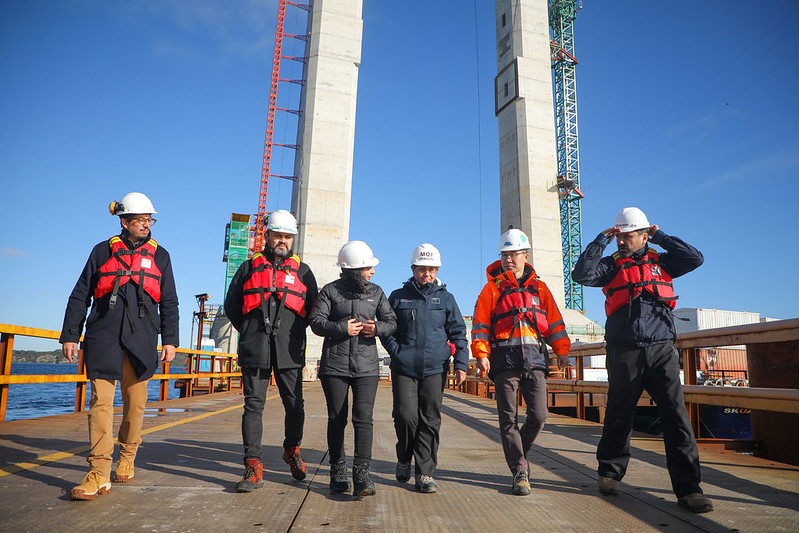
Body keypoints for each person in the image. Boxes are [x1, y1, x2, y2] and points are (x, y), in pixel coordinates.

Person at [571, 207, 712, 513]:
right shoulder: (610, 266)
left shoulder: (664, 261)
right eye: (619, 236)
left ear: (644, 236)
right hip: (625, 350)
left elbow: (695, 258)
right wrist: (600, 241)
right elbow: (581, 274)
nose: (622, 241)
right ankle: (609, 473)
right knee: (619, 415)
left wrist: (662, 236)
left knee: (677, 418)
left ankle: (689, 489)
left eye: (629, 236)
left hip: (661, 349)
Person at [60, 192, 179, 501]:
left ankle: (127, 455)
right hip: (103, 335)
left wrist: (170, 340)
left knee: (135, 403)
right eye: (140, 219)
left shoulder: (161, 256)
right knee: (100, 402)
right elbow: (80, 294)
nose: (146, 224)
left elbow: (169, 302)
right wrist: (71, 334)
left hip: (141, 339)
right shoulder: (101, 252)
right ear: (124, 221)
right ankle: (98, 472)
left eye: (149, 219)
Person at [471, 228, 570, 496]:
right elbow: (480, 325)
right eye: (504, 255)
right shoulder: (492, 289)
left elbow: (555, 323)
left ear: (525, 255)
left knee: (539, 416)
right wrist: (481, 354)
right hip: (504, 362)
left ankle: (519, 455)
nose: (508, 260)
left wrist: (562, 349)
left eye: (513, 254)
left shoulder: (540, 288)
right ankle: (520, 471)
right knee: (508, 419)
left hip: (535, 361)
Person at [224, 210, 318, 492]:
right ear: (267, 235)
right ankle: (253, 465)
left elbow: (313, 309)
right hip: (255, 347)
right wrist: (251, 331)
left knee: (294, 405)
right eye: (278, 235)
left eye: (288, 237)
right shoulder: (248, 268)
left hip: (289, 349)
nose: (283, 241)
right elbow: (232, 306)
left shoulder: (303, 271)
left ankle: (292, 449)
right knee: (253, 406)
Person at [309, 241, 397, 497]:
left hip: (367, 367)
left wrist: (376, 329)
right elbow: (316, 321)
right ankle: (337, 472)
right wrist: (341, 329)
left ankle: (362, 475)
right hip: (334, 367)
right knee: (337, 419)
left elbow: (391, 321)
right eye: (370, 267)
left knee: (363, 419)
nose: (374, 271)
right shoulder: (330, 291)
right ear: (357, 269)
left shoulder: (377, 292)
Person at [382, 243, 469, 493]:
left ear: (437, 269)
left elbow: (458, 333)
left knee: (430, 420)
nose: (427, 274)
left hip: (435, 367)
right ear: (413, 268)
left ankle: (425, 473)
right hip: (404, 368)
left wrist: (461, 363)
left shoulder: (446, 298)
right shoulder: (398, 296)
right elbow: (386, 328)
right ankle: (403, 458)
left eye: (431, 269)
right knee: (405, 416)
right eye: (422, 269)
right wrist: (396, 351)